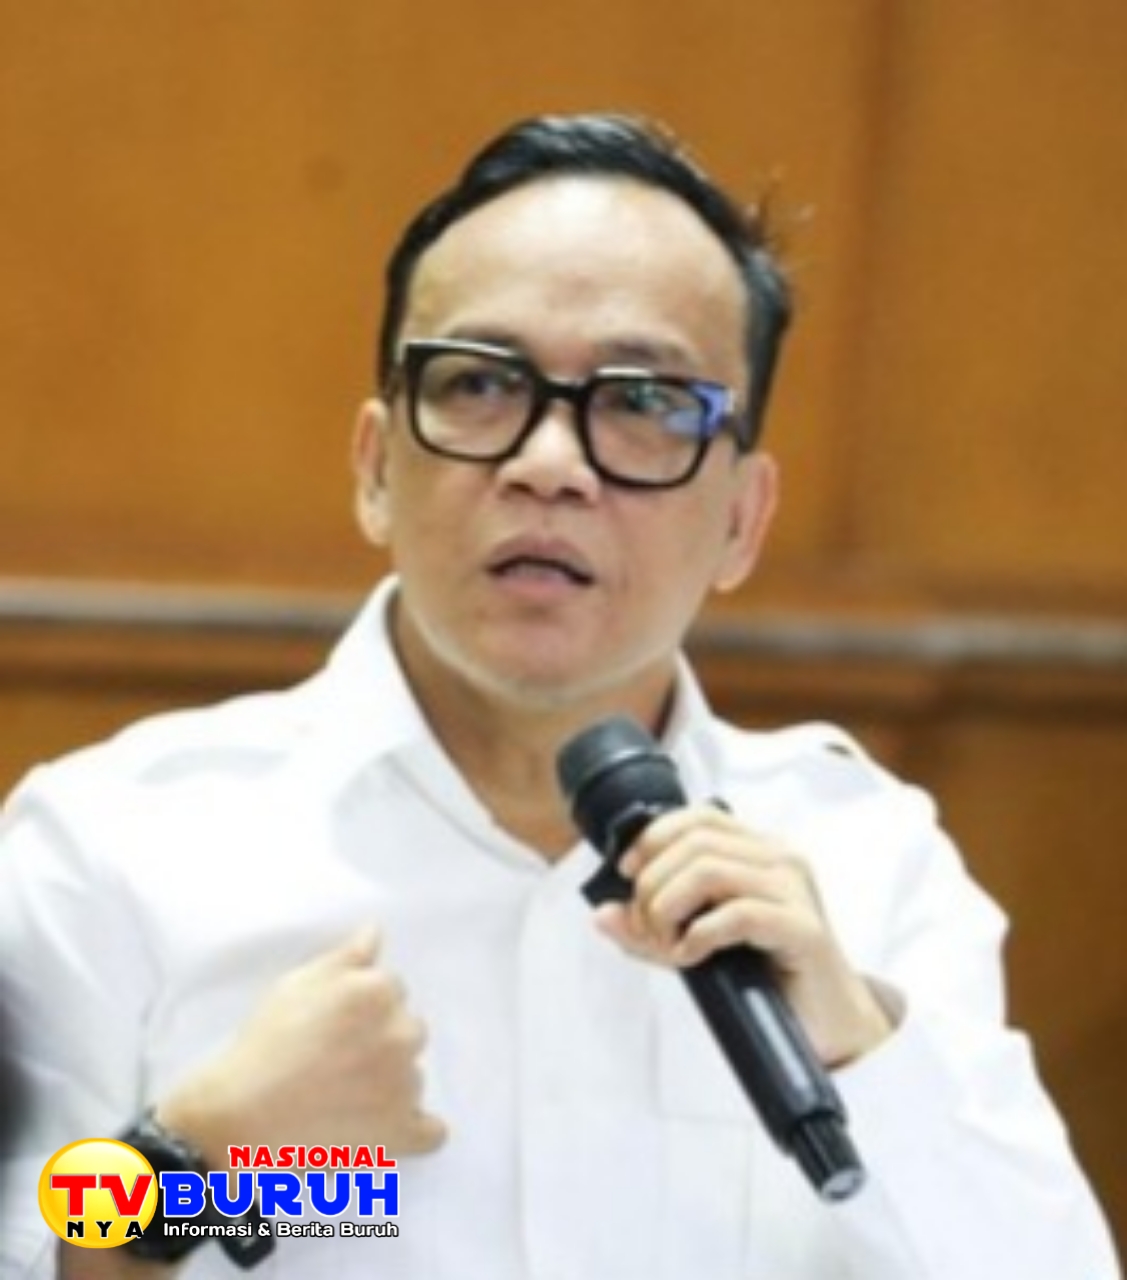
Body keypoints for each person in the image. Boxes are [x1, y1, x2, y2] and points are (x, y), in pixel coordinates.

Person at [0, 111, 1119, 1280]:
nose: (549, 463)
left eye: (643, 402)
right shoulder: (120, 842)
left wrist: (860, 1049)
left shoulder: (865, 863)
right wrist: (199, 1165)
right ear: (376, 468)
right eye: (480, 383)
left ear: (741, 520)